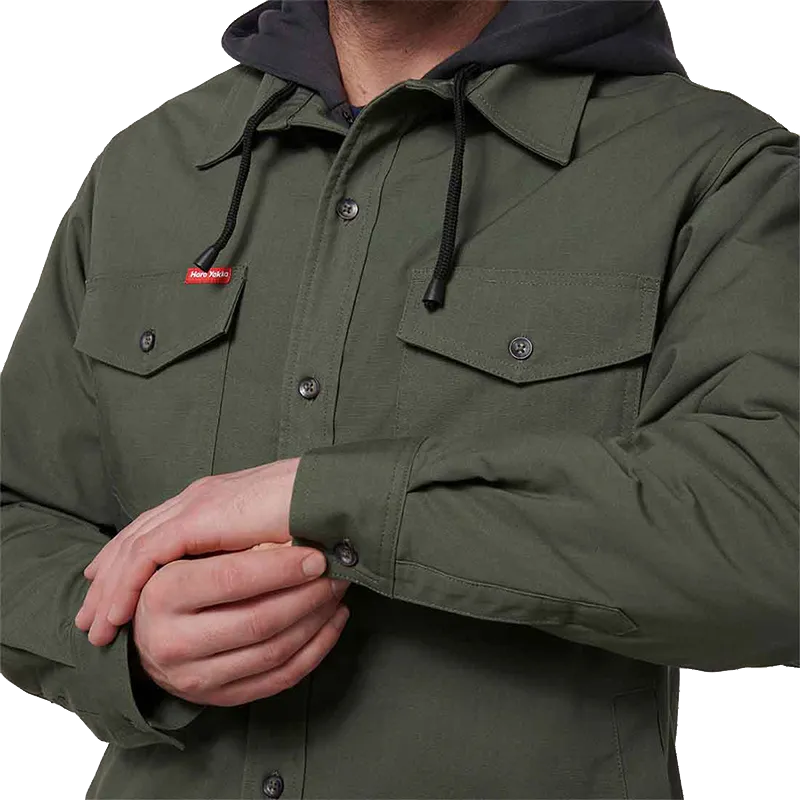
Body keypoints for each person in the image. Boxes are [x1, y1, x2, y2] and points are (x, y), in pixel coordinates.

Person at [1, 0, 798, 798]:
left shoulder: (718, 168)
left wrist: (332, 501)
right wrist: (125, 643)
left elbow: (773, 534)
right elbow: (18, 513)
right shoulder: (152, 166)